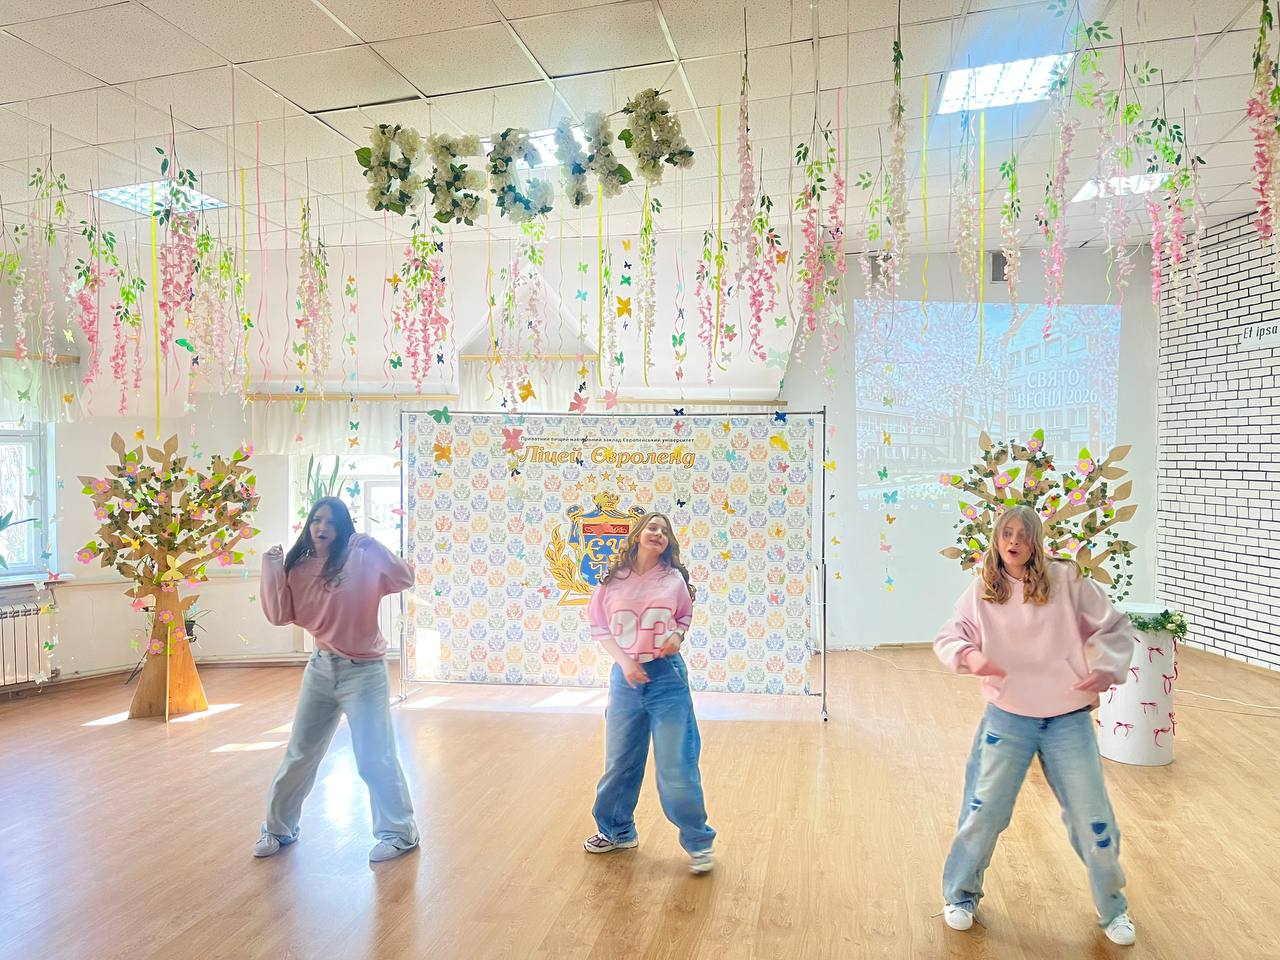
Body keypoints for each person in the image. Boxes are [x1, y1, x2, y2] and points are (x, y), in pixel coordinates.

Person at [934, 504, 1138, 946]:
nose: (1014, 542)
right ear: (996, 539)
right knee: (983, 811)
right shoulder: (982, 590)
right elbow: (951, 636)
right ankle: (960, 896)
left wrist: (1106, 667)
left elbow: (1114, 626)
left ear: (1035, 542)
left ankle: (1114, 908)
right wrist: (970, 657)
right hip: (1008, 715)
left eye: (1023, 535)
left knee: (1093, 819)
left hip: (1067, 717)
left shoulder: (1066, 580)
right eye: (1007, 533)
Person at [253, 496, 419, 863]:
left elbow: (405, 578)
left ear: (343, 526)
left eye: (331, 521)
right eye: (316, 520)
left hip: (365, 672)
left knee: (374, 756)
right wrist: (271, 566)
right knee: (300, 754)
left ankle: (399, 833)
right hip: (321, 668)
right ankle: (278, 829)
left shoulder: (361, 558)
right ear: (309, 525)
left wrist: (375, 546)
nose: (322, 527)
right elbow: (279, 614)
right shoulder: (299, 567)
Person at [582, 512, 717, 874]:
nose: (658, 532)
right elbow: (600, 627)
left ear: (668, 542)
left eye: (664, 530)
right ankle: (617, 832)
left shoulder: (673, 580)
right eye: (652, 527)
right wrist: (625, 662)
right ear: (638, 535)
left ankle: (699, 842)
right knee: (620, 762)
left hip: (666, 677)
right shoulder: (612, 580)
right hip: (625, 679)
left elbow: (683, 618)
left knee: (676, 766)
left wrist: (677, 636)